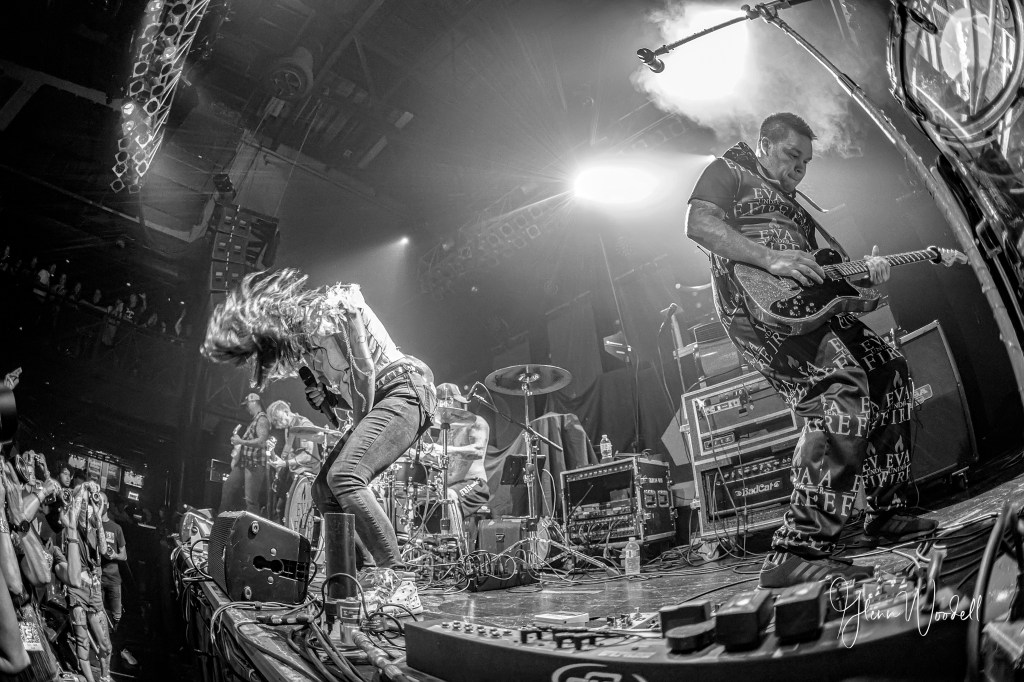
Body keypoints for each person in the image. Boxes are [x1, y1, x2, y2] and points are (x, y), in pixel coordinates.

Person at [685, 112, 935, 589]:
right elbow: (698, 224)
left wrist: (864, 272)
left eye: (806, 162)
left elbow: (821, 270)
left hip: (807, 306)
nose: (799, 169)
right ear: (765, 143)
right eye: (791, 155)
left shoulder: (795, 205)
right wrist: (771, 258)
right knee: (839, 388)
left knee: (887, 367)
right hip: (759, 308)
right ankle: (796, 550)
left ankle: (886, 510)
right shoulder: (728, 170)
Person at [202, 269, 436, 605]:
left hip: (406, 391)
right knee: (323, 489)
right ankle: (356, 577)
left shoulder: (332, 309)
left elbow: (365, 372)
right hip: (383, 400)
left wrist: (354, 424)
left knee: (345, 476)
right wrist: (329, 399)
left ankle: (399, 581)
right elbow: (352, 395)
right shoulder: (305, 352)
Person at [427, 384, 490, 533]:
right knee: (417, 497)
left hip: (474, 484)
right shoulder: (445, 429)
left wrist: (446, 450)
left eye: (448, 401)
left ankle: (455, 544)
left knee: (449, 495)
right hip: (448, 485)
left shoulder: (476, 422)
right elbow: (438, 459)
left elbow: (478, 450)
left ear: (452, 401)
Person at [266, 400, 324, 524]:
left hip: (308, 474)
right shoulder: (289, 428)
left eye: (278, 420)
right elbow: (288, 454)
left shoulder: (304, 424)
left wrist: (285, 464)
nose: (277, 425)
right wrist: (274, 455)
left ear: (286, 412)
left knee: (292, 514)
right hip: (295, 472)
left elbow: (307, 456)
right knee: (279, 509)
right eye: (274, 422)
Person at [98, 493, 135, 668]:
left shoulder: (116, 528)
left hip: (113, 578)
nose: (101, 505)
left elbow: (124, 555)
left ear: (108, 505)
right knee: (97, 613)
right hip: (97, 577)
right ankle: (102, 647)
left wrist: (114, 555)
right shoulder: (93, 526)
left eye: (104, 502)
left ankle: (118, 647)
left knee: (117, 616)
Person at [220, 393, 270, 515]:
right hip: (244, 463)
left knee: (251, 500)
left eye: (247, 405)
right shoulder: (254, 421)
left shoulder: (262, 419)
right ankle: (222, 519)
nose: (247, 408)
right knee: (228, 488)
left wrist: (240, 441)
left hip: (254, 465)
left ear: (254, 402)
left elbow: (261, 442)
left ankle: (254, 525)